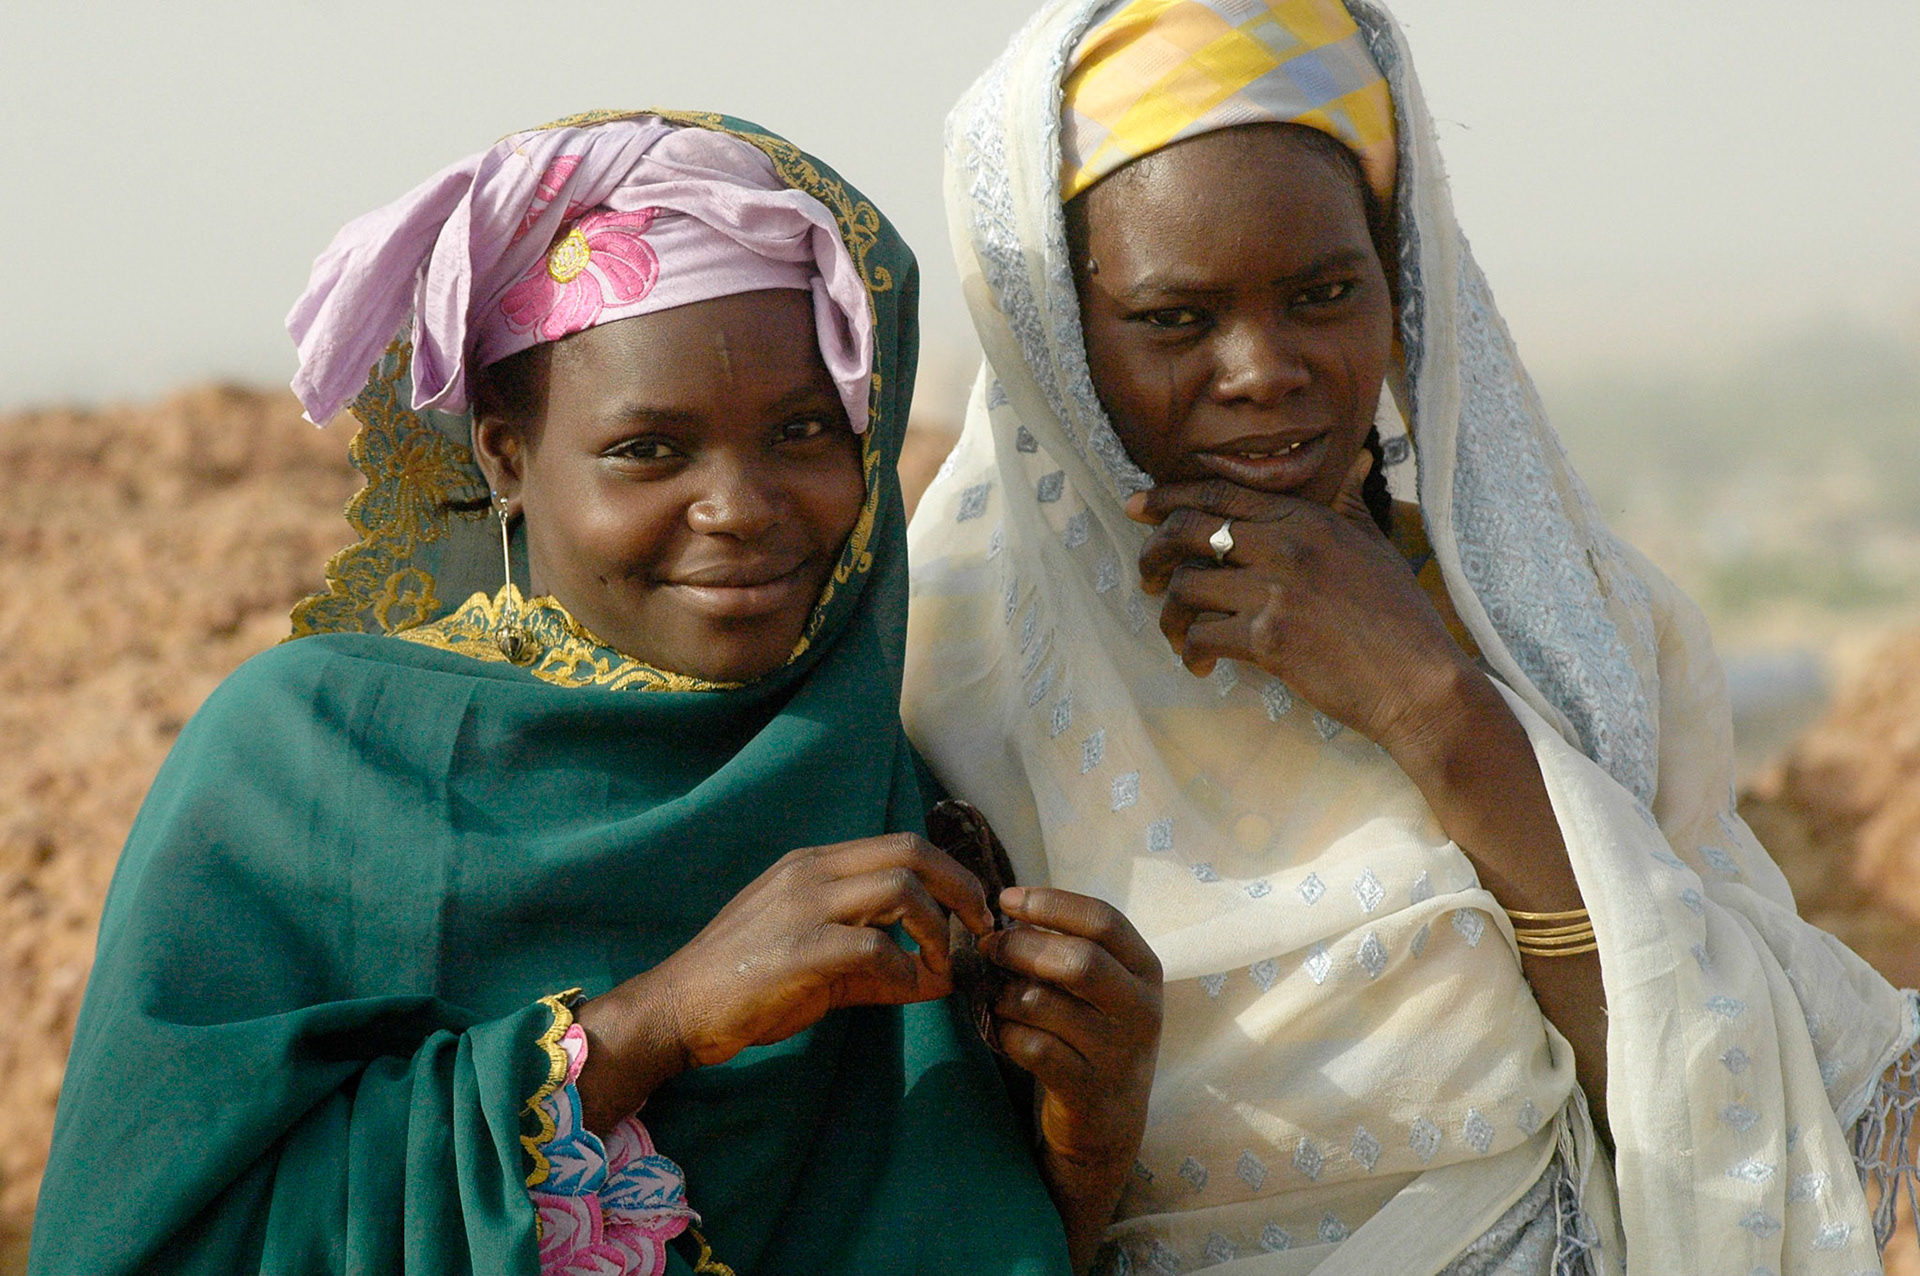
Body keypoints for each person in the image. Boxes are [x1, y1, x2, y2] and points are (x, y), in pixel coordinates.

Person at [28, 110, 1161, 1276]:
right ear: (505, 456)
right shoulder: (301, 768)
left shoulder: (888, 790)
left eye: (804, 431)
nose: (740, 507)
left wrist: (1087, 1140)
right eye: (650, 450)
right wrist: (658, 1021)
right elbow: (155, 1234)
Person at [902, 2, 1920, 1273]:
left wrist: (1436, 709)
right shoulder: (945, 680)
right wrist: (1085, 1142)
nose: (1262, 368)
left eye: (1325, 293)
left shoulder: (1565, 623)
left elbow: (1736, 1095)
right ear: (1055, 332)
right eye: (1175, 320)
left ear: (1399, 285)